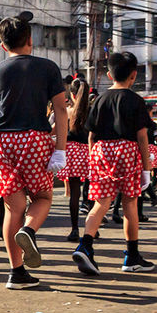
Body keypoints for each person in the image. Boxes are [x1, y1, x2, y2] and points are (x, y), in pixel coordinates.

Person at [0, 13, 68, 289]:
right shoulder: (47, 68)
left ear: (2, 45)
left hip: (1, 142)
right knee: (43, 197)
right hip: (34, 139)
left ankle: (16, 272)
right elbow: (60, 109)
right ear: (31, 40)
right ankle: (29, 231)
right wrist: (60, 149)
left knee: (13, 207)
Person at [71, 52, 155, 274]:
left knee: (101, 202)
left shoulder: (99, 99)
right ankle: (132, 256)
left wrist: (93, 162)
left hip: (100, 151)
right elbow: (142, 137)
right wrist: (147, 169)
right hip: (127, 151)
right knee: (130, 204)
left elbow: (91, 136)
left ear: (109, 75)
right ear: (134, 75)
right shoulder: (136, 100)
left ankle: (85, 245)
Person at [60, 78, 91, 242]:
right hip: (89, 151)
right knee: (92, 192)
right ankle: (92, 229)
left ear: (72, 94)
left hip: (71, 152)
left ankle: (74, 229)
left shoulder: (67, 111)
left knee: (74, 193)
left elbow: (57, 131)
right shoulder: (91, 111)